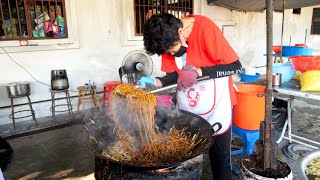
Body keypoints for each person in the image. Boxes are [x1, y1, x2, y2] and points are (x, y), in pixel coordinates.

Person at [139, 13, 242, 180]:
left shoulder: (205, 29)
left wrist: (199, 72)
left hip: (217, 105)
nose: (171, 53)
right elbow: (173, 76)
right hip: (189, 110)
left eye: (172, 49)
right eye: (167, 52)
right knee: (187, 157)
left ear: (180, 32)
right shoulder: (166, 38)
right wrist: (156, 81)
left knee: (220, 158)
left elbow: (235, 66)